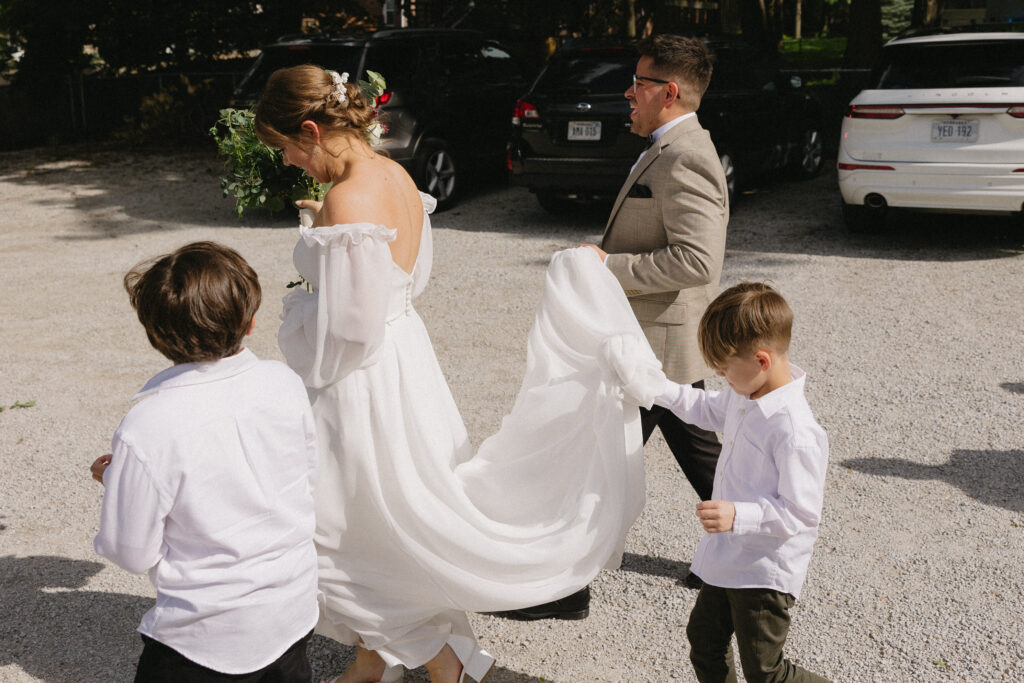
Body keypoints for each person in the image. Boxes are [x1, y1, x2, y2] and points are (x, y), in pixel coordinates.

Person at [255, 65, 668, 683]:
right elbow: (408, 282)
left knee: (340, 532)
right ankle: (374, 662)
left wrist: (298, 315)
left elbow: (349, 334)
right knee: (383, 521)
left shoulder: (348, 197)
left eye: (285, 148)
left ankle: (447, 667)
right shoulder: (393, 174)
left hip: (359, 383)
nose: (288, 162)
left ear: (311, 130)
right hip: (405, 366)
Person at [520, 34, 727, 622]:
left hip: (655, 345)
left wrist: (605, 266)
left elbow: (697, 261)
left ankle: (566, 589)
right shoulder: (665, 145)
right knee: (698, 458)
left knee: (594, 461)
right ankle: (741, 564)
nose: (626, 93)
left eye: (637, 83)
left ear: (668, 91)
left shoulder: (687, 154)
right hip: (648, 343)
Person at [91, 241, 320, 682]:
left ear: (155, 333)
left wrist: (119, 484)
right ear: (251, 322)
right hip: (291, 611)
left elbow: (131, 552)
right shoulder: (283, 383)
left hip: (205, 638)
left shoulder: (149, 425)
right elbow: (303, 479)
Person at [632, 282, 830, 682]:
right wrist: (660, 388)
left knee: (765, 670)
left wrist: (737, 514)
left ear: (761, 360)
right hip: (729, 558)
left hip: (764, 568)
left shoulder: (795, 430)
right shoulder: (746, 392)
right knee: (704, 639)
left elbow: (801, 514)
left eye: (723, 369)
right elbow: (706, 408)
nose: (719, 376)